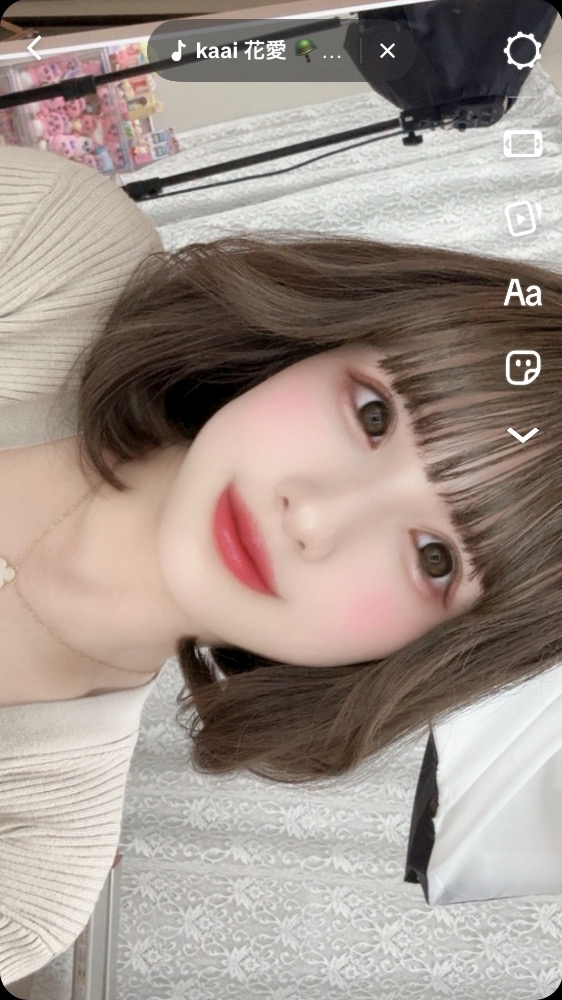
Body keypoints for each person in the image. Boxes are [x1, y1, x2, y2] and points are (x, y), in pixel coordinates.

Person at [0, 145, 559, 983]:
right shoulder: (56, 250)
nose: (315, 515)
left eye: (434, 558)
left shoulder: (33, 862)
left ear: (432, 653)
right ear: (327, 337)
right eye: (374, 414)